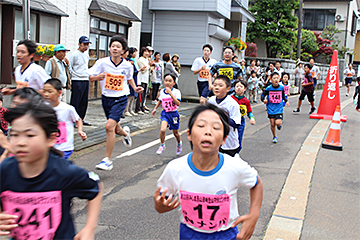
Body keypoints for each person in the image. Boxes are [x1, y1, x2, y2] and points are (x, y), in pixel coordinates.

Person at [153, 104, 263, 240]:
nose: (208, 131)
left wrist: (254, 214)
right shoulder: (175, 168)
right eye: (201, 126)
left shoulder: (234, 166)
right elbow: (161, 201)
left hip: (226, 234)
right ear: (189, 134)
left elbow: (256, 183)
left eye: (216, 128)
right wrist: (160, 206)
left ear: (224, 139)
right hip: (190, 234)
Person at [0, 101, 102, 239]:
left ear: (51, 138)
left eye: (29, 135)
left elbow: (95, 187)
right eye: (15, 134)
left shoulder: (64, 172)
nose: (20, 142)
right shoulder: (5, 170)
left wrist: (90, 228)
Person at [87, 35, 143, 171]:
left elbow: (129, 78)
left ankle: (107, 160)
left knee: (108, 127)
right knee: (116, 129)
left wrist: (135, 88)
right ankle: (125, 133)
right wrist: (96, 78)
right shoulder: (102, 62)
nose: (115, 49)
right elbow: (88, 76)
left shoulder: (127, 65)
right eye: (113, 46)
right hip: (106, 98)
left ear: (123, 50)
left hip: (120, 98)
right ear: (109, 48)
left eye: (118, 47)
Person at [43, 78, 87, 160]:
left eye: (49, 91)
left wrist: (80, 131)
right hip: (49, 147)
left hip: (65, 147)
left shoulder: (68, 109)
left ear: (59, 93)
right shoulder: (42, 108)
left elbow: (78, 119)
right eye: (44, 91)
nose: (46, 94)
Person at [208, 75, 241, 156]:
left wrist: (220, 115)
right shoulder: (211, 100)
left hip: (229, 142)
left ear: (228, 89)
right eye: (214, 85)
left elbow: (236, 123)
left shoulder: (232, 104)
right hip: (214, 139)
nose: (216, 87)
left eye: (220, 85)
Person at [151, 73, 182, 155]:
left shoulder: (176, 92)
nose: (167, 83)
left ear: (174, 83)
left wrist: (171, 94)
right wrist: (155, 109)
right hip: (165, 113)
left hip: (174, 114)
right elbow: (160, 101)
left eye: (170, 81)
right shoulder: (162, 91)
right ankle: (162, 145)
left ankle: (179, 143)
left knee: (175, 133)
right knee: (162, 130)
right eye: (166, 80)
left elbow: (178, 103)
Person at [68, 36, 92, 126]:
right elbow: (69, 66)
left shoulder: (86, 55)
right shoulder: (74, 54)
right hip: (76, 80)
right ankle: (73, 120)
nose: (86, 46)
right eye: (84, 44)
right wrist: (74, 75)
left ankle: (81, 119)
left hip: (85, 79)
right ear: (79, 44)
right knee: (76, 101)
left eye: (87, 44)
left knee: (84, 101)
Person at [261, 72, 289, 143]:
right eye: (274, 78)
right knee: (272, 123)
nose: (276, 80)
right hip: (270, 108)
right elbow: (262, 95)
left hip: (279, 108)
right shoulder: (268, 88)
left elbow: (283, 96)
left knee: (278, 122)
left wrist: (286, 101)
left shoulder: (281, 88)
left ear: (279, 79)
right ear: (271, 80)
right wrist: (263, 100)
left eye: (277, 78)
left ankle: (279, 125)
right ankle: (274, 136)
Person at [231, 79, 256, 152]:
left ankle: (236, 153)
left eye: (241, 86)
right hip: (230, 121)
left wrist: (252, 118)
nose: (239, 88)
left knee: (238, 138)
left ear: (245, 89)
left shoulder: (246, 101)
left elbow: (249, 111)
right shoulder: (230, 99)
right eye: (237, 86)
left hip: (240, 121)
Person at [124, 47, 139, 116]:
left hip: (135, 79)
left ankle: (130, 109)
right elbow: (132, 72)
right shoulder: (127, 61)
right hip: (130, 79)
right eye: (134, 52)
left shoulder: (133, 61)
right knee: (129, 95)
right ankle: (126, 110)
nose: (136, 54)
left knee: (133, 96)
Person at [135, 47, 150, 114]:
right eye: (145, 52)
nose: (147, 53)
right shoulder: (140, 60)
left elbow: (148, 69)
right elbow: (143, 70)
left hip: (146, 79)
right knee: (140, 95)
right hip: (141, 79)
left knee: (144, 95)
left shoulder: (147, 60)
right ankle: (138, 108)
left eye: (148, 52)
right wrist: (149, 65)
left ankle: (142, 107)